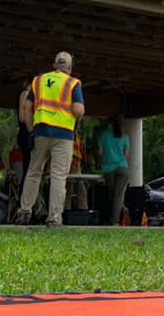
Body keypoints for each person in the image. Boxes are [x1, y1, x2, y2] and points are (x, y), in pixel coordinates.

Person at [14, 51, 85, 226]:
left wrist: (32, 130)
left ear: (54, 65)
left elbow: (27, 108)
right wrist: (78, 116)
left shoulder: (38, 81)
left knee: (33, 172)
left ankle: (24, 212)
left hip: (41, 133)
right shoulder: (73, 83)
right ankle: (54, 219)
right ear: (69, 67)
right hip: (63, 136)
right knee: (58, 177)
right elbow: (78, 110)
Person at [99, 114, 131, 226]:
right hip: (123, 167)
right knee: (118, 195)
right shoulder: (125, 137)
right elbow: (126, 155)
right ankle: (119, 214)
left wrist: (104, 162)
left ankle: (115, 220)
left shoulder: (104, 134)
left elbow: (100, 153)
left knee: (113, 195)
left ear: (110, 123)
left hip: (109, 169)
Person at [65, 123, 89, 210]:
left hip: (76, 164)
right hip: (69, 163)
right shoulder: (68, 135)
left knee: (80, 186)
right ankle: (66, 208)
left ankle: (83, 208)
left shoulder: (77, 136)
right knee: (68, 187)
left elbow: (79, 150)